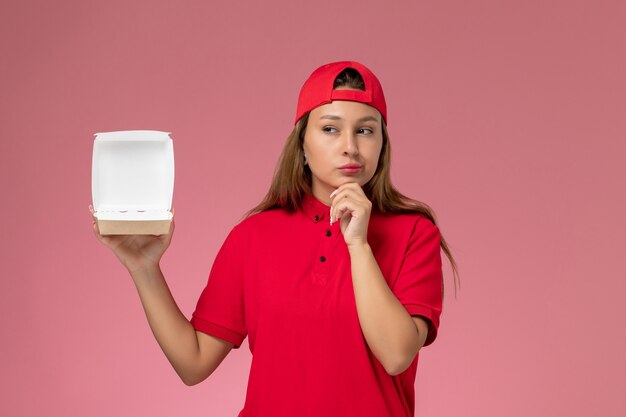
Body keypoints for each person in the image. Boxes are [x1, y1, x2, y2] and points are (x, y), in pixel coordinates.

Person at [91, 61, 459, 417]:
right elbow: (194, 363)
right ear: (302, 143)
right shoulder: (253, 237)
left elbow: (396, 355)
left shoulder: (413, 232)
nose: (350, 146)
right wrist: (144, 269)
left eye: (365, 130)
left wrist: (359, 245)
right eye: (330, 129)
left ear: (382, 143)